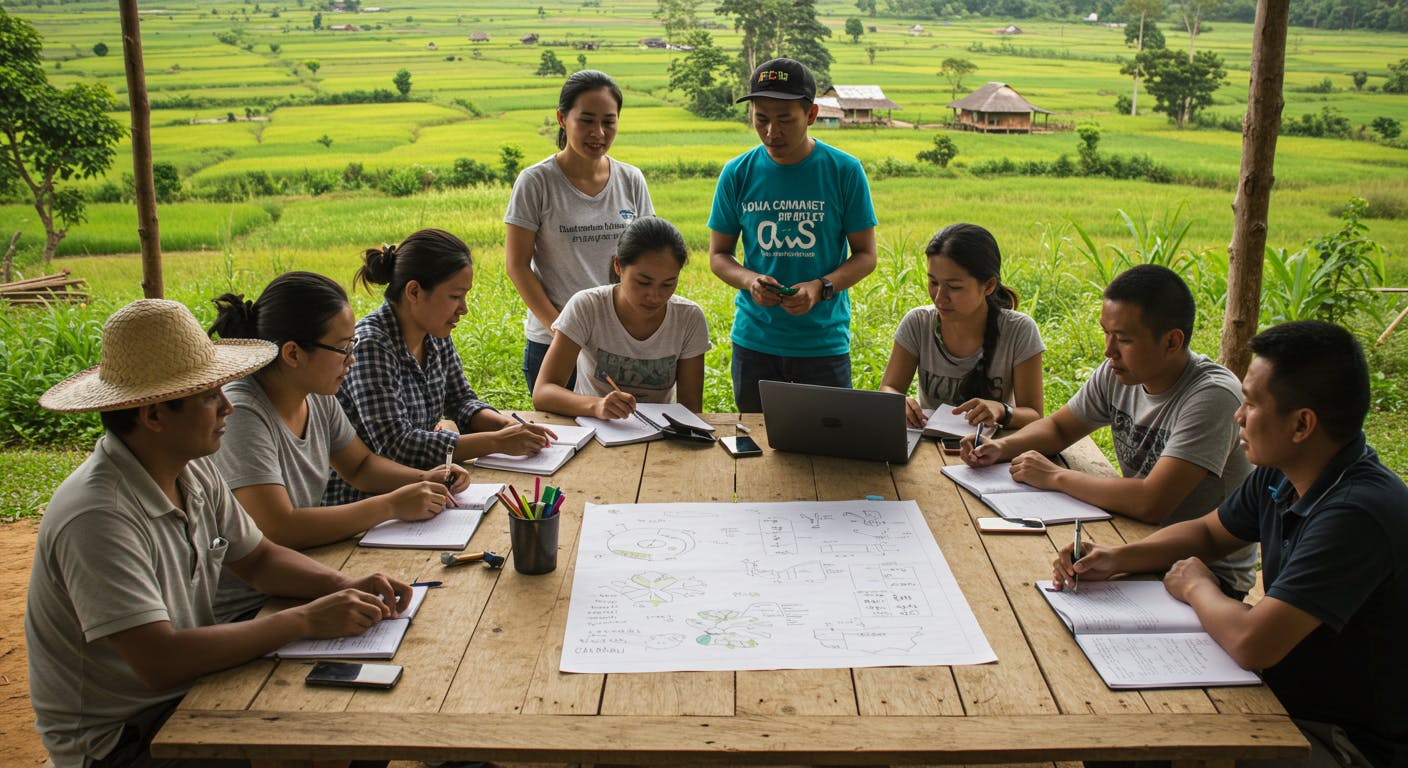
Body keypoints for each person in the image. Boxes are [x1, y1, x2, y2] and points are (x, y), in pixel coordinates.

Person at [26, 299, 412, 768]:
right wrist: (305, 621)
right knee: (331, 740)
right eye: (210, 395)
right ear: (152, 415)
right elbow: (159, 661)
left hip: (190, 687)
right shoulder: (97, 514)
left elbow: (258, 559)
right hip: (125, 738)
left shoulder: (191, 471)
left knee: (362, 721)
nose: (227, 405)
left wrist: (343, 585)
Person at [1050, 321, 1407, 768]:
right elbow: (1208, 533)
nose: (1238, 415)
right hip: (1280, 691)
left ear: (1302, 424)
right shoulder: (1285, 471)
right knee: (1116, 726)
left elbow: (1252, 642)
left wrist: (1198, 585)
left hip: (1340, 739)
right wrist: (1115, 557)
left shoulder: (1356, 514)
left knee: (1134, 741)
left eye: (1253, 403)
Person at [963, 264, 1256, 596]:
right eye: (1106, 333)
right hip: (1136, 539)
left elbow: (1152, 502)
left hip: (1203, 573)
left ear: (1172, 342)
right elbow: (1060, 427)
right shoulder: (1120, 371)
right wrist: (1002, 448)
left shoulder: (1212, 396)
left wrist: (1055, 476)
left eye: (1124, 339)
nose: (1108, 350)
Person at [207, 271, 471, 622]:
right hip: (250, 609)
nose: (352, 359)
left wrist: (423, 478)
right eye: (344, 348)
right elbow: (278, 527)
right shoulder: (243, 412)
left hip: (303, 576)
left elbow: (359, 466)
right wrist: (390, 505)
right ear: (293, 353)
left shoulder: (315, 394)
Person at [326, 228, 555, 506]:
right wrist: (497, 442)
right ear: (414, 292)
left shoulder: (434, 333)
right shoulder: (371, 345)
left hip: (425, 489)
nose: (464, 309)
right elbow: (398, 445)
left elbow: (461, 400)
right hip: (367, 502)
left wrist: (505, 426)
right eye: (455, 296)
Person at [707, 57, 878, 413]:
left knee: (826, 450)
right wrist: (750, 280)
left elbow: (866, 256)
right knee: (757, 446)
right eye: (761, 119)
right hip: (754, 343)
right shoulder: (737, 173)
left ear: (812, 114)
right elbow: (718, 256)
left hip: (822, 344)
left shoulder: (844, 171)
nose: (772, 132)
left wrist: (821, 287)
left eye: (785, 120)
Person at [504, 69, 654, 394]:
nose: (598, 132)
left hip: (617, 341)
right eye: (586, 120)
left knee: (623, 438)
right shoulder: (536, 182)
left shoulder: (631, 180)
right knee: (565, 441)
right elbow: (517, 265)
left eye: (608, 121)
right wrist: (561, 330)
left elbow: (648, 260)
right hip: (554, 342)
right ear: (562, 118)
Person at [532, 216, 711, 418]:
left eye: (668, 284)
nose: (655, 296)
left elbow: (691, 409)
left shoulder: (689, 318)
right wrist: (596, 406)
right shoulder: (588, 307)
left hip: (660, 435)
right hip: (595, 429)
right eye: (643, 282)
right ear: (618, 266)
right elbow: (543, 392)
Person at [879, 223, 1044, 430]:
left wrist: (1001, 410)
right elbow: (889, 387)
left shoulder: (1019, 331)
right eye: (933, 283)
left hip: (993, 450)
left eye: (954, 287)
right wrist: (897, 401)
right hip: (930, 445)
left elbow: (1035, 415)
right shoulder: (918, 323)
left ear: (989, 286)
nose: (939, 298)